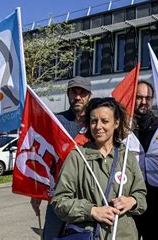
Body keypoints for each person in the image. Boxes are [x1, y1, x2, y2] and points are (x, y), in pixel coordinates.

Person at [52, 97, 147, 239]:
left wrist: (132, 201)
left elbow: (141, 195)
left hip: (124, 235)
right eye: (94, 121)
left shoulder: (127, 156)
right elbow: (59, 201)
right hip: (89, 235)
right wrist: (91, 211)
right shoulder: (77, 157)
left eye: (105, 121)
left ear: (116, 123)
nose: (98, 126)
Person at [30, 76, 92, 240]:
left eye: (82, 93)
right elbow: (44, 158)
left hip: (88, 195)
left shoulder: (96, 122)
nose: (78, 97)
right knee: (51, 235)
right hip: (58, 194)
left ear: (89, 96)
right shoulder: (56, 121)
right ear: (68, 95)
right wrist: (37, 193)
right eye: (74, 92)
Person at [132, 80, 158, 239]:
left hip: (157, 199)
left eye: (148, 98)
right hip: (130, 198)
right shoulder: (122, 127)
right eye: (139, 97)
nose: (143, 102)